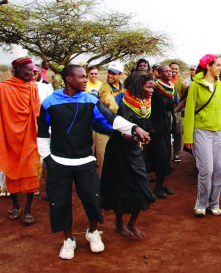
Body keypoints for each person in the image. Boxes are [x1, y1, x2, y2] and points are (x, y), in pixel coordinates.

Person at [37, 64, 150, 260]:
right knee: (60, 202)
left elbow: (112, 119)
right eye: (81, 77)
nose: (85, 81)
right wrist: (48, 158)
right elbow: (41, 133)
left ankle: (92, 232)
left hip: (85, 161)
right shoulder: (49, 103)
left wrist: (134, 129)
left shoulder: (90, 100)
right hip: (59, 162)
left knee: (92, 199)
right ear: (69, 80)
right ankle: (68, 239)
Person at [101, 72, 156, 237]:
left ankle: (132, 223)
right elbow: (124, 134)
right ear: (139, 87)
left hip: (135, 150)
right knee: (120, 188)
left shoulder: (144, 102)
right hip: (120, 151)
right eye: (148, 86)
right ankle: (119, 224)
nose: (152, 90)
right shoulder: (125, 106)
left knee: (142, 186)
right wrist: (140, 134)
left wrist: (147, 131)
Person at [184, 54, 221, 217]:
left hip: (218, 132)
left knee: (219, 170)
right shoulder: (195, 86)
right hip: (201, 131)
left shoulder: (219, 85)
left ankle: (214, 203)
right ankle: (201, 204)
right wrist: (188, 138)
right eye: (218, 65)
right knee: (206, 170)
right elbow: (189, 113)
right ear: (208, 66)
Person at [0, 57, 40, 225]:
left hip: (29, 136)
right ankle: (15, 205)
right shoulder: (3, 88)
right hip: (10, 138)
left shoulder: (33, 87)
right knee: (11, 172)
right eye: (29, 71)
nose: (32, 73)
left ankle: (28, 209)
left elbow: (37, 110)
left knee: (31, 170)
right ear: (16, 71)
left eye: (33, 71)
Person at [147, 65, 176, 199]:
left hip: (166, 125)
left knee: (165, 156)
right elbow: (148, 107)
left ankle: (161, 185)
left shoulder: (170, 87)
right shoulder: (154, 89)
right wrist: (150, 125)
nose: (170, 73)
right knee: (159, 156)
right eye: (166, 71)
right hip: (156, 127)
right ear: (159, 74)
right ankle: (156, 188)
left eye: (170, 71)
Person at [95, 62, 125, 174]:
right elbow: (112, 105)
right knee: (104, 161)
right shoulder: (104, 88)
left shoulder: (122, 86)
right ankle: (104, 189)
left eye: (114, 73)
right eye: (109, 72)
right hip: (103, 128)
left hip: (116, 127)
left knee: (117, 160)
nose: (110, 76)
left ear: (120, 74)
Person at [169, 62, 187, 162]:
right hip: (166, 111)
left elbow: (184, 97)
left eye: (176, 69)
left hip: (178, 111)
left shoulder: (182, 83)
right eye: (172, 68)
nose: (174, 71)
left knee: (178, 133)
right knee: (167, 133)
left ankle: (176, 154)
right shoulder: (164, 81)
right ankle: (167, 154)